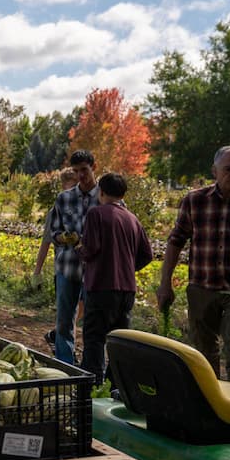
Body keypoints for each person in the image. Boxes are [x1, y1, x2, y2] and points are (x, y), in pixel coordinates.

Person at [157, 145, 230, 381]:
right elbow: (175, 242)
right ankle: (211, 407)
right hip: (202, 287)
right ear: (215, 171)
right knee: (204, 353)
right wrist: (165, 284)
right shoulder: (195, 201)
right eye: (229, 169)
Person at [76, 173, 153, 385]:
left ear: (101, 192)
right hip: (127, 289)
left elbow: (91, 250)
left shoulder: (96, 214)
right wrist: (128, 268)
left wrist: (79, 250)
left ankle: (93, 387)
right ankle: (116, 386)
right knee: (119, 341)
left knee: (94, 339)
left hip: (101, 286)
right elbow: (147, 254)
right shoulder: (132, 219)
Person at [47, 150, 100, 364]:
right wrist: (64, 238)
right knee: (64, 321)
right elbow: (53, 233)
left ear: (93, 168)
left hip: (95, 271)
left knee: (92, 322)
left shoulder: (105, 197)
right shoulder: (64, 198)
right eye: (76, 171)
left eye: (84, 170)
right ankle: (65, 365)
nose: (80, 176)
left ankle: (91, 367)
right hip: (68, 266)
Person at [33, 168, 81, 344]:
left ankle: (57, 335)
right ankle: (63, 349)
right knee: (67, 312)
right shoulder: (56, 210)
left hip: (85, 269)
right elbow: (46, 242)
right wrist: (37, 271)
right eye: (70, 187)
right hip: (65, 269)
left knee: (79, 309)